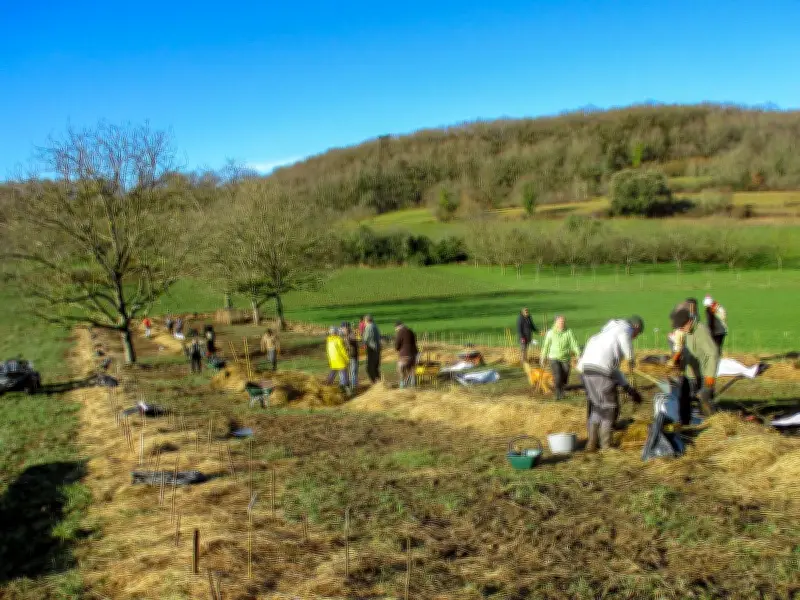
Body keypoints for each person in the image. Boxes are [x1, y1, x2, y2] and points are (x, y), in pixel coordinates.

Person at [577, 316, 644, 451]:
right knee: (609, 408)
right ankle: (606, 445)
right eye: (636, 334)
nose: (634, 337)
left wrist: (628, 388)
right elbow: (625, 344)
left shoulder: (605, 334)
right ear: (635, 327)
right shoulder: (625, 329)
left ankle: (591, 443)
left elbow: (613, 369)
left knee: (597, 407)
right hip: (601, 372)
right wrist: (631, 358)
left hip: (586, 371)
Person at [670, 307, 720, 421]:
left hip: (703, 375)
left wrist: (710, 376)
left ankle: (713, 425)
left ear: (688, 322)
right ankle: (685, 426)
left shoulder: (701, 331)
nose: (681, 330)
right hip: (690, 374)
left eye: (682, 327)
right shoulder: (686, 332)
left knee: (704, 401)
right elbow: (686, 351)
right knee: (684, 402)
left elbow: (712, 353)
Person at [539, 315, 581, 400]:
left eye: (563, 322)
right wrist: (543, 357)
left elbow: (574, 344)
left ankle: (561, 388)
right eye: (560, 322)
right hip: (554, 357)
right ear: (556, 323)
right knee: (558, 375)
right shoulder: (550, 333)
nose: (562, 324)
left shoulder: (568, 332)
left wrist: (578, 354)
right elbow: (546, 346)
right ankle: (558, 393)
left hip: (565, 358)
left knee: (565, 376)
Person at [394, 321, 418, 389]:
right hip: (414, 354)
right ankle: (413, 385)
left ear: (397, 327)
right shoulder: (411, 331)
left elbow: (397, 346)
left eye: (396, 329)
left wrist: (397, 348)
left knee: (400, 369)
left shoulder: (400, 332)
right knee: (411, 370)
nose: (396, 331)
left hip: (404, 354)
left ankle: (402, 385)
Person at [362, 314, 382, 384]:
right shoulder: (375, 325)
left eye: (364, 321)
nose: (364, 323)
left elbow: (366, 338)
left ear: (366, 320)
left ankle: (375, 383)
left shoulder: (369, 327)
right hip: (377, 348)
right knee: (375, 367)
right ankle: (379, 382)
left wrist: (361, 342)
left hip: (372, 349)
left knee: (370, 368)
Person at [344, 323, 359, 394]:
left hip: (353, 356)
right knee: (351, 372)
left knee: (353, 372)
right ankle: (354, 386)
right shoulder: (348, 335)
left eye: (344, 328)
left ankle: (353, 387)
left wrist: (347, 340)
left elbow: (352, 341)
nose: (343, 330)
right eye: (343, 328)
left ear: (348, 328)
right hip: (349, 356)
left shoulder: (351, 335)